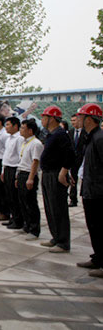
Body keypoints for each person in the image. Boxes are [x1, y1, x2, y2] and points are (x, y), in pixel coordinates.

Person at [39, 105, 75, 253]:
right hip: (47, 173)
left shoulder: (60, 134)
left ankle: (63, 242)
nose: (42, 120)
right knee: (50, 207)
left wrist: (64, 172)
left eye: (44, 117)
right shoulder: (51, 134)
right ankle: (56, 236)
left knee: (58, 208)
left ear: (52, 118)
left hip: (56, 174)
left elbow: (70, 155)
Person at [75, 104, 103, 278]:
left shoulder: (100, 138)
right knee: (93, 226)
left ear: (89, 119)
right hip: (89, 189)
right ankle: (97, 258)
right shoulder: (90, 137)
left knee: (100, 227)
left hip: (98, 192)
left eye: (81, 116)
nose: (78, 119)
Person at [16, 119, 44, 241]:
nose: (21, 130)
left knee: (30, 202)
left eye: (23, 128)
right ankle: (26, 225)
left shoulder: (36, 143)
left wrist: (31, 178)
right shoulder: (24, 142)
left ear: (30, 130)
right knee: (22, 201)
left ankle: (34, 229)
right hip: (22, 173)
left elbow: (35, 162)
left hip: (29, 174)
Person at [1, 117, 24, 230]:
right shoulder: (9, 138)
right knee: (8, 195)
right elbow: (6, 155)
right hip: (7, 168)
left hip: (14, 168)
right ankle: (12, 217)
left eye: (8, 125)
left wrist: (17, 174)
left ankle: (18, 220)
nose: (6, 127)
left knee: (14, 196)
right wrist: (3, 170)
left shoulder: (19, 138)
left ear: (15, 126)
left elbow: (20, 156)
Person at [68, 115, 85, 207]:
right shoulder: (70, 132)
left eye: (74, 120)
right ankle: (73, 199)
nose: (73, 122)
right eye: (71, 120)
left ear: (79, 120)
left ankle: (84, 197)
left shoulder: (85, 132)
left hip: (83, 160)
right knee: (73, 179)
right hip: (73, 160)